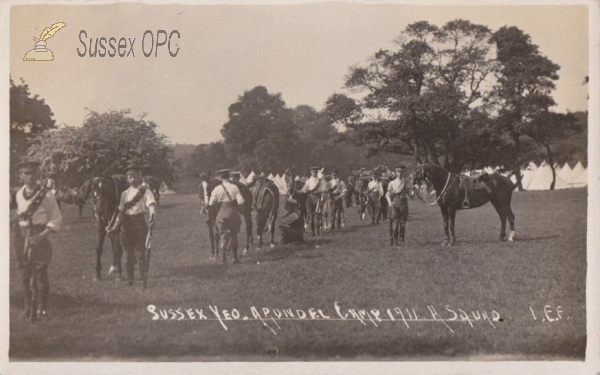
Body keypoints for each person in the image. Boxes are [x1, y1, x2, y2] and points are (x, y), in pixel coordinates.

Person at [14, 159, 62, 321]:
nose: (30, 176)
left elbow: (56, 218)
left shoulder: (46, 195)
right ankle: (28, 307)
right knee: (24, 273)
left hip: (40, 234)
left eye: (33, 173)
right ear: (20, 176)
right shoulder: (18, 195)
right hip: (21, 235)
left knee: (41, 273)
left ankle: (42, 308)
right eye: (26, 173)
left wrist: (41, 236)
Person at [108, 166, 156, 286]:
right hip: (126, 225)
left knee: (140, 252)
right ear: (127, 179)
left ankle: (142, 279)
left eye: (134, 176)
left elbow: (151, 205)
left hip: (139, 223)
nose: (132, 179)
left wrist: (152, 217)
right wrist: (114, 227)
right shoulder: (124, 194)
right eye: (130, 177)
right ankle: (130, 281)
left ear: (139, 177)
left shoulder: (145, 191)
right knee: (128, 253)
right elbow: (121, 211)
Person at [209, 169, 245, 263]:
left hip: (221, 214)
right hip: (233, 213)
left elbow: (211, 203)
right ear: (229, 177)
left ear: (220, 178)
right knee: (234, 236)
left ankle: (223, 259)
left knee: (223, 237)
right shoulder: (234, 187)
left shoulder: (217, 189)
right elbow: (241, 201)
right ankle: (234, 258)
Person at [386, 165, 409, 247]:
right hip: (395, 202)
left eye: (401, 172)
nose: (400, 173)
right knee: (395, 223)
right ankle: (395, 242)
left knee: (403, 223)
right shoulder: (392, 183)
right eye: (398, 172)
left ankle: (401, 241)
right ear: (395, 173)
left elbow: (410, 194)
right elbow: (387, 194)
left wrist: (413, 191)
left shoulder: (405, 182)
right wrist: (390, 202)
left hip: (404, 202)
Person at [301, 166, 323, 236]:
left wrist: (321, 199)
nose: (314, 173)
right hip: (309, 198)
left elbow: (323, 190)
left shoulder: (320, 181)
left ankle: (317, 232)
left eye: (316, 172)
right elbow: (304, 191)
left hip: (317, 198)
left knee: (317, 216)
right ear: (311, 172)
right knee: (310, 216)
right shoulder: (308, 181)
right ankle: (312, 232)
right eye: (313, 172)